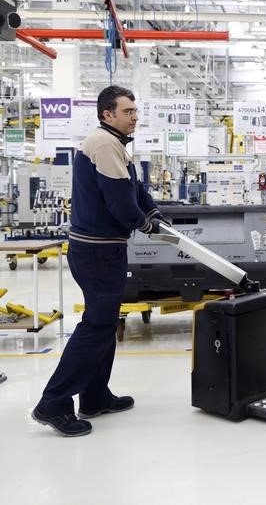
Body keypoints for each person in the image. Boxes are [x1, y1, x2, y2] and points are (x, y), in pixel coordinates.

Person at [31, 86, 162, 437]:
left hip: (103, 249)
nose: (135, 116)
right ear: (107, 114)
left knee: (104, 323)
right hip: (97, 251)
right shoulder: (104, 143)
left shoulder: (114, 144)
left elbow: (133, 190)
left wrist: (151, 210)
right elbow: (120, 203)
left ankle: (94, 395)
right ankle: (54, 402)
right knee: (96, 326)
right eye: (128, 111)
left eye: (135, 110)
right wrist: (145, 223)